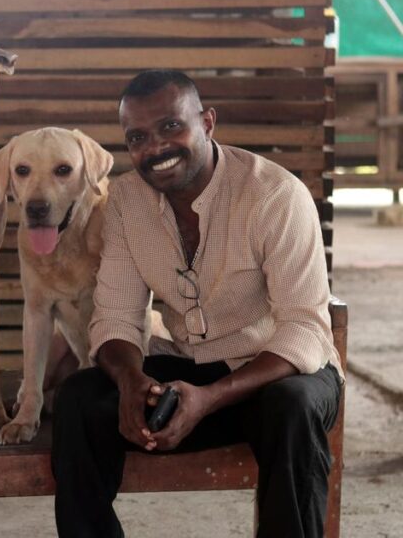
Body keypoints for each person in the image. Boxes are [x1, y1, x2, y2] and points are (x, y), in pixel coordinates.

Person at [51, 70, 343, 537]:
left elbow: (305, 330)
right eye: (138, 137)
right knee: (80, 399)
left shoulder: (274, 194)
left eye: (171, 127)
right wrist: (130, 381)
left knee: (294, 407)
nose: (156, 148)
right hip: (190, 376)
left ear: (207, 122)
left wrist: (210, 398)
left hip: (272, 374)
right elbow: (115, 320)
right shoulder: (127, 200)